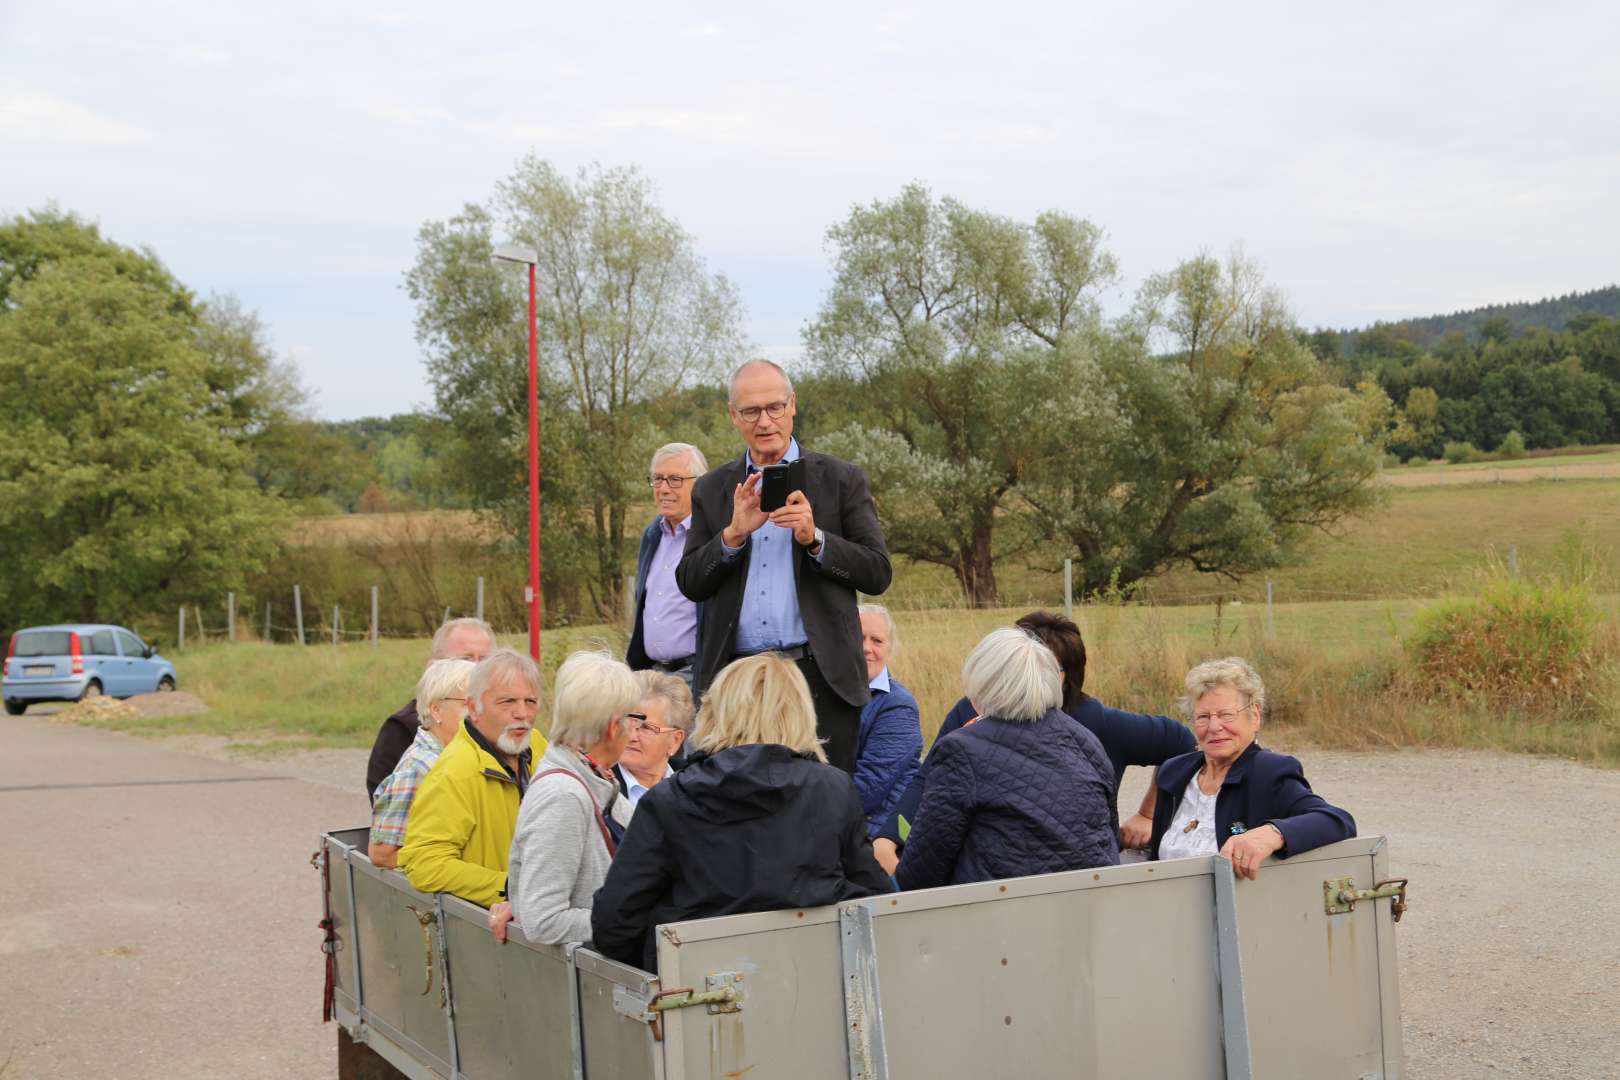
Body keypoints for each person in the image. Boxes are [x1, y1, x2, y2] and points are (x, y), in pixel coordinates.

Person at [591, 653, 894, 973]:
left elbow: (614, 926)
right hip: (813, 984)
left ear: (718, 710)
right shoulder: (833, 790)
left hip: (694, 993)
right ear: (800, 712)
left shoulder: (671, 799)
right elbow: (876, 901)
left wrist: (664, 965)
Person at [676, 359, 892, 773]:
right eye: (751, 411)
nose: (765, 421)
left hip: (818, 677)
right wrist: (732, 537)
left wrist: (817, 540)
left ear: (793, 404)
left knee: (820, 809)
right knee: (734, 809)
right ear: (733, 416)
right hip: (734, 679)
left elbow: (877, 572)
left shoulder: (841, 479)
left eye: (775, 407)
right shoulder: (711, 488)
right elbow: (689, 581)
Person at [872, 610, 1195, 873]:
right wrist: (888, 837)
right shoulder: (971, 712)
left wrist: (1149, 815)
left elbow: (1181, 741)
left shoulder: (1097, 724)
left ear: (1065, 676)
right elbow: (929, 780)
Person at [894, 627, 1119, 890]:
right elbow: (1108, 836)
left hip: (1000, 916)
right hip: (1092, 908)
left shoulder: (961, 750)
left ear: (983, 685)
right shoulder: (1086, 741)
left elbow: (920, 874)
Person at [1150, 657, 1355, 879]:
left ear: (1254, 716)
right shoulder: (1175, 772)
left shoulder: (1269, 771)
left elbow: (1336, 821)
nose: (1214, 726)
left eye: (1226, 715)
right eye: (1203, 717)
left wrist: (1272, 833)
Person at [504, 652, 639, 945]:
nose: (634, 731)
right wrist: (635, 921)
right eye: (634, 719)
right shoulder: (564, 796)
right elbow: (543, 920)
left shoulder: (595, 778)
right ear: (615, 726)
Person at [396, 648, 549, 907]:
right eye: (507, 702)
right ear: (473, 708)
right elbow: (424, 864)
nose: (522, 713)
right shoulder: (454, 772)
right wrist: (508, 887)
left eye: (530, 701)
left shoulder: (538, 745)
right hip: (493, 927)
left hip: (544, 910)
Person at [365, 617, 494, 801]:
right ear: (433, 666)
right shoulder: (403, 729)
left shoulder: (504, 725)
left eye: (484, 660)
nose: (476, 668)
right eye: (464, 659)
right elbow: (388, 807)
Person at [367, 658, 474, 869]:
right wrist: (444, 863)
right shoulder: (420, 766)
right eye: (468, 704)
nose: (479, 713)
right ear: (436, 710)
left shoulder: (461, 755)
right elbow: (382, 853)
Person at [626, 443, 709, 688]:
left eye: (674, 480)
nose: (663, 488)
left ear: (699, 485)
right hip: (650, 673)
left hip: (696, 673)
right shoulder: (652, 535)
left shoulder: (713, 536)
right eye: (658, 479)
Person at [853, 604, 922, 838]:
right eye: (859, 637)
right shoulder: (825, 695)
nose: (866, 648)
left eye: (877, 641)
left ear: (889, 648)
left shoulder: (898, 705)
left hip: (876, 833)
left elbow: (869, 788)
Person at [614, 670, 695, 811]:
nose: (632, 736)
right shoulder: (599, 784)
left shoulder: (694, 786)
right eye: (627, 723)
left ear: (675, 741)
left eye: (645, 728)